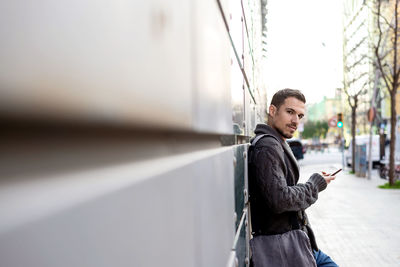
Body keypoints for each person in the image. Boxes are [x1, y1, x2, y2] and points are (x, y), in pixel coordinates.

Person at [248, 89, 338, 267]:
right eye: (290, 112)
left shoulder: (276, 143)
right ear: (272, 111)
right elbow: (280, 199)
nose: (295, 120)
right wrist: (314, 184)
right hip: (283, 248)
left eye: (300, 115)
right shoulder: (268, 146)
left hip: (295, 243)